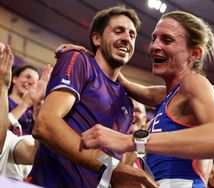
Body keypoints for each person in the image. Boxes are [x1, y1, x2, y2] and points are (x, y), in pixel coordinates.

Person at [81, 10, 214, 188]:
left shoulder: (193, 82)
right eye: (154, 38)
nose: (154, 46)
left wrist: (129, 141)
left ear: (195, 54)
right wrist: (89, 56)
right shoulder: (167, 95)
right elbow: (122, 82)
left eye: (167, 40)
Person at [29, 6, 157, 188]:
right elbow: (46, 123)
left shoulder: (127, 103)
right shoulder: (79, 61)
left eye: (132, 35)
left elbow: (113, 163)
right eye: (118, 31)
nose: (126, 38)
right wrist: (111, 167)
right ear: (96, 38)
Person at [0, 43, 52, 181]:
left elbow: (34, 153)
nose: (30, 83)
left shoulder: (31, 113)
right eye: (27, 77)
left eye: (35, 81)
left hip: (24, 170)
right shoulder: (5, 102)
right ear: (14, 78)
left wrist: (39, 105)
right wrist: (24, 103)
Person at [8, 65, 40, 135]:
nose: (31, 82)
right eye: (28, 77)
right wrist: (24, 105)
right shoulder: (3, 101)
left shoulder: (33, 110)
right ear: (15, 79)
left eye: (36, 82)